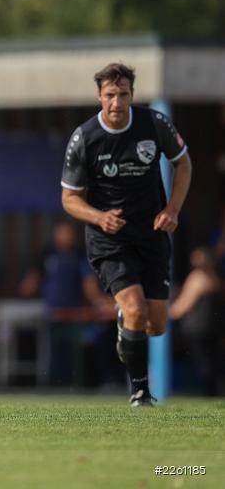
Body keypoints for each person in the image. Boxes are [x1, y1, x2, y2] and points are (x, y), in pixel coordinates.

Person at [60, 62, 192, 406]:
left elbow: (184, 163)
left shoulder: (154, 124)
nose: (116, 102)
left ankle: (127, 321)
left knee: (157, 325)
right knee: (135, 309)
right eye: (110, 95)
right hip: (110, 240)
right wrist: (99, 217)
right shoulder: (85, 137)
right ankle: (140, 393)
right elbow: (69, 198)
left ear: (132, 95)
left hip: (151, 235)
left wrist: (172, 209)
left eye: (123, 95)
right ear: (99, 96)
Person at [18, 220, 113, 387]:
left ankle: (79, 383)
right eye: (63, 233)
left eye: (69, 233)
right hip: (52, 314)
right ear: (56, 234)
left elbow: (89, 286)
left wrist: (100, 302)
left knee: (79, 349)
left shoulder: (79, 256)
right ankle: (52, 383)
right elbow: (31, 282)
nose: (66, 237)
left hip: (76, 315)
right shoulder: (46, 255)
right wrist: (26, 287)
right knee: (53, 351)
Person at [169, 247, 223, 396]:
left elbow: (184, 304)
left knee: (204, 364)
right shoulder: (215, 277)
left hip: (197, 329)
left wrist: (164, 314)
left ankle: (211, 393)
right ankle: (215, 392)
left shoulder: (197, 278)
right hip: (213, 329)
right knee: (213, 362)